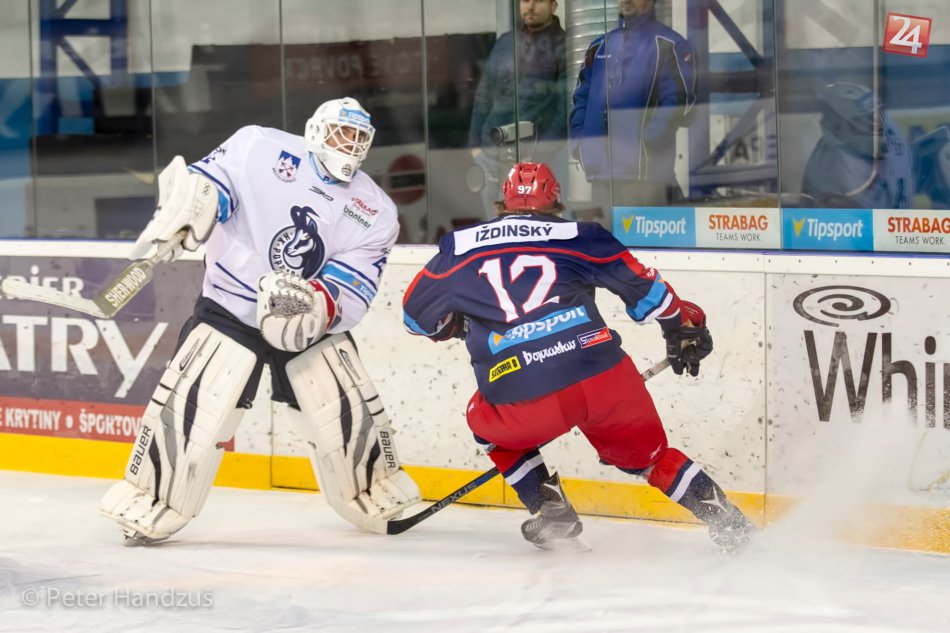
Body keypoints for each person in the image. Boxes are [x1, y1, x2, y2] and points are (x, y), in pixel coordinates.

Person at [100, 97, 421, 544]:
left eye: (358, 137)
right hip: (231, 308)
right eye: (341, 133)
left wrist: (317, 306)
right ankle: (152, 496)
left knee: (343, 409)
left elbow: (354, 284)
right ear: (315, 130)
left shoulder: (374, 210)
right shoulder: (259, 147)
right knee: (196, 408)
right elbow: (211, 185)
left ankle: (372, 489)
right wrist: (189, 210)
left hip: (305, 322)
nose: (349, 144)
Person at [402, 162, 753, 552]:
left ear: (502, 203)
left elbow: (415, 318)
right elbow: (652, 294)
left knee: (484, 425)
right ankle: (732, 525)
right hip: (602, 378)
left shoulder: (459, 247)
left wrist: (456, 327)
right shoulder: (581, 235)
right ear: (556, 203)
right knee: (653, 459)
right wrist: (683, 327)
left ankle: (549, 509)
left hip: (520, 393)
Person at [570, 0, 697, 227]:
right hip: (600, 173)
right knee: (603, 244)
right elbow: (580, 97)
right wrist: (580, 143)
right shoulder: (599, 46)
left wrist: (647, 144)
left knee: (643, 246)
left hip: (645, 175)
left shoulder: (670, 44)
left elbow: (680, 101)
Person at [468, 0, 567, 217]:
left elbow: (565, 110)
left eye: (538, 0)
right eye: (525, 0)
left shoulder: (563, 46)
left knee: (530, 228)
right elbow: (484, 93)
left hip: (533, 160)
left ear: (554, 5)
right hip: (490, 153)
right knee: (494, 228)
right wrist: (475, 145)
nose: (530, 6)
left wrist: (539, 157)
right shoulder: (506, 42)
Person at [801, 83, 914, 209]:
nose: (877, 125)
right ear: (838, 128)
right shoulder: (831, 176)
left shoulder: (888, 130)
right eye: (866, 120)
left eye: (877, 115)